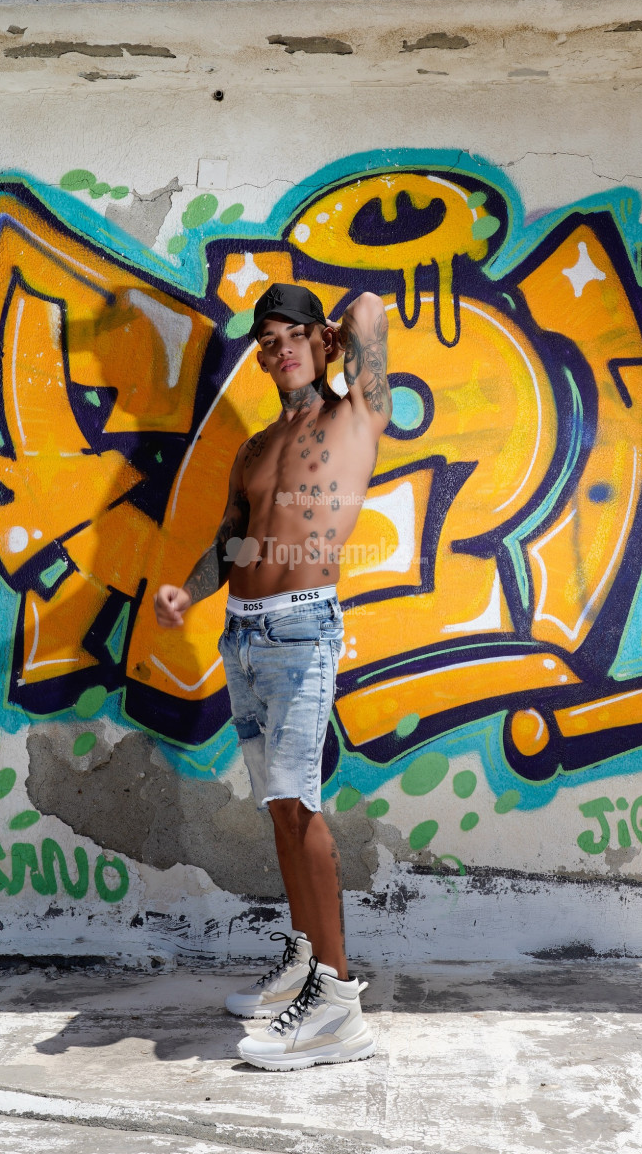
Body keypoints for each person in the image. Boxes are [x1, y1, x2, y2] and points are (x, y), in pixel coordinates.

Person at [154, 282, 391, 1070]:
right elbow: (235, 537)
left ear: (321, 341)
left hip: (301, 629)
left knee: (298, 805)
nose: (279, 349)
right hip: (243, 636)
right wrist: (189, 591)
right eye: (268, 341)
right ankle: (304, 961)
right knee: (279, 811)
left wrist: (339, 333)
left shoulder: (354, 416)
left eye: (294, 334)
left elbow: (370, 310)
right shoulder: (255, 449)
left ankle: (339, 1006)